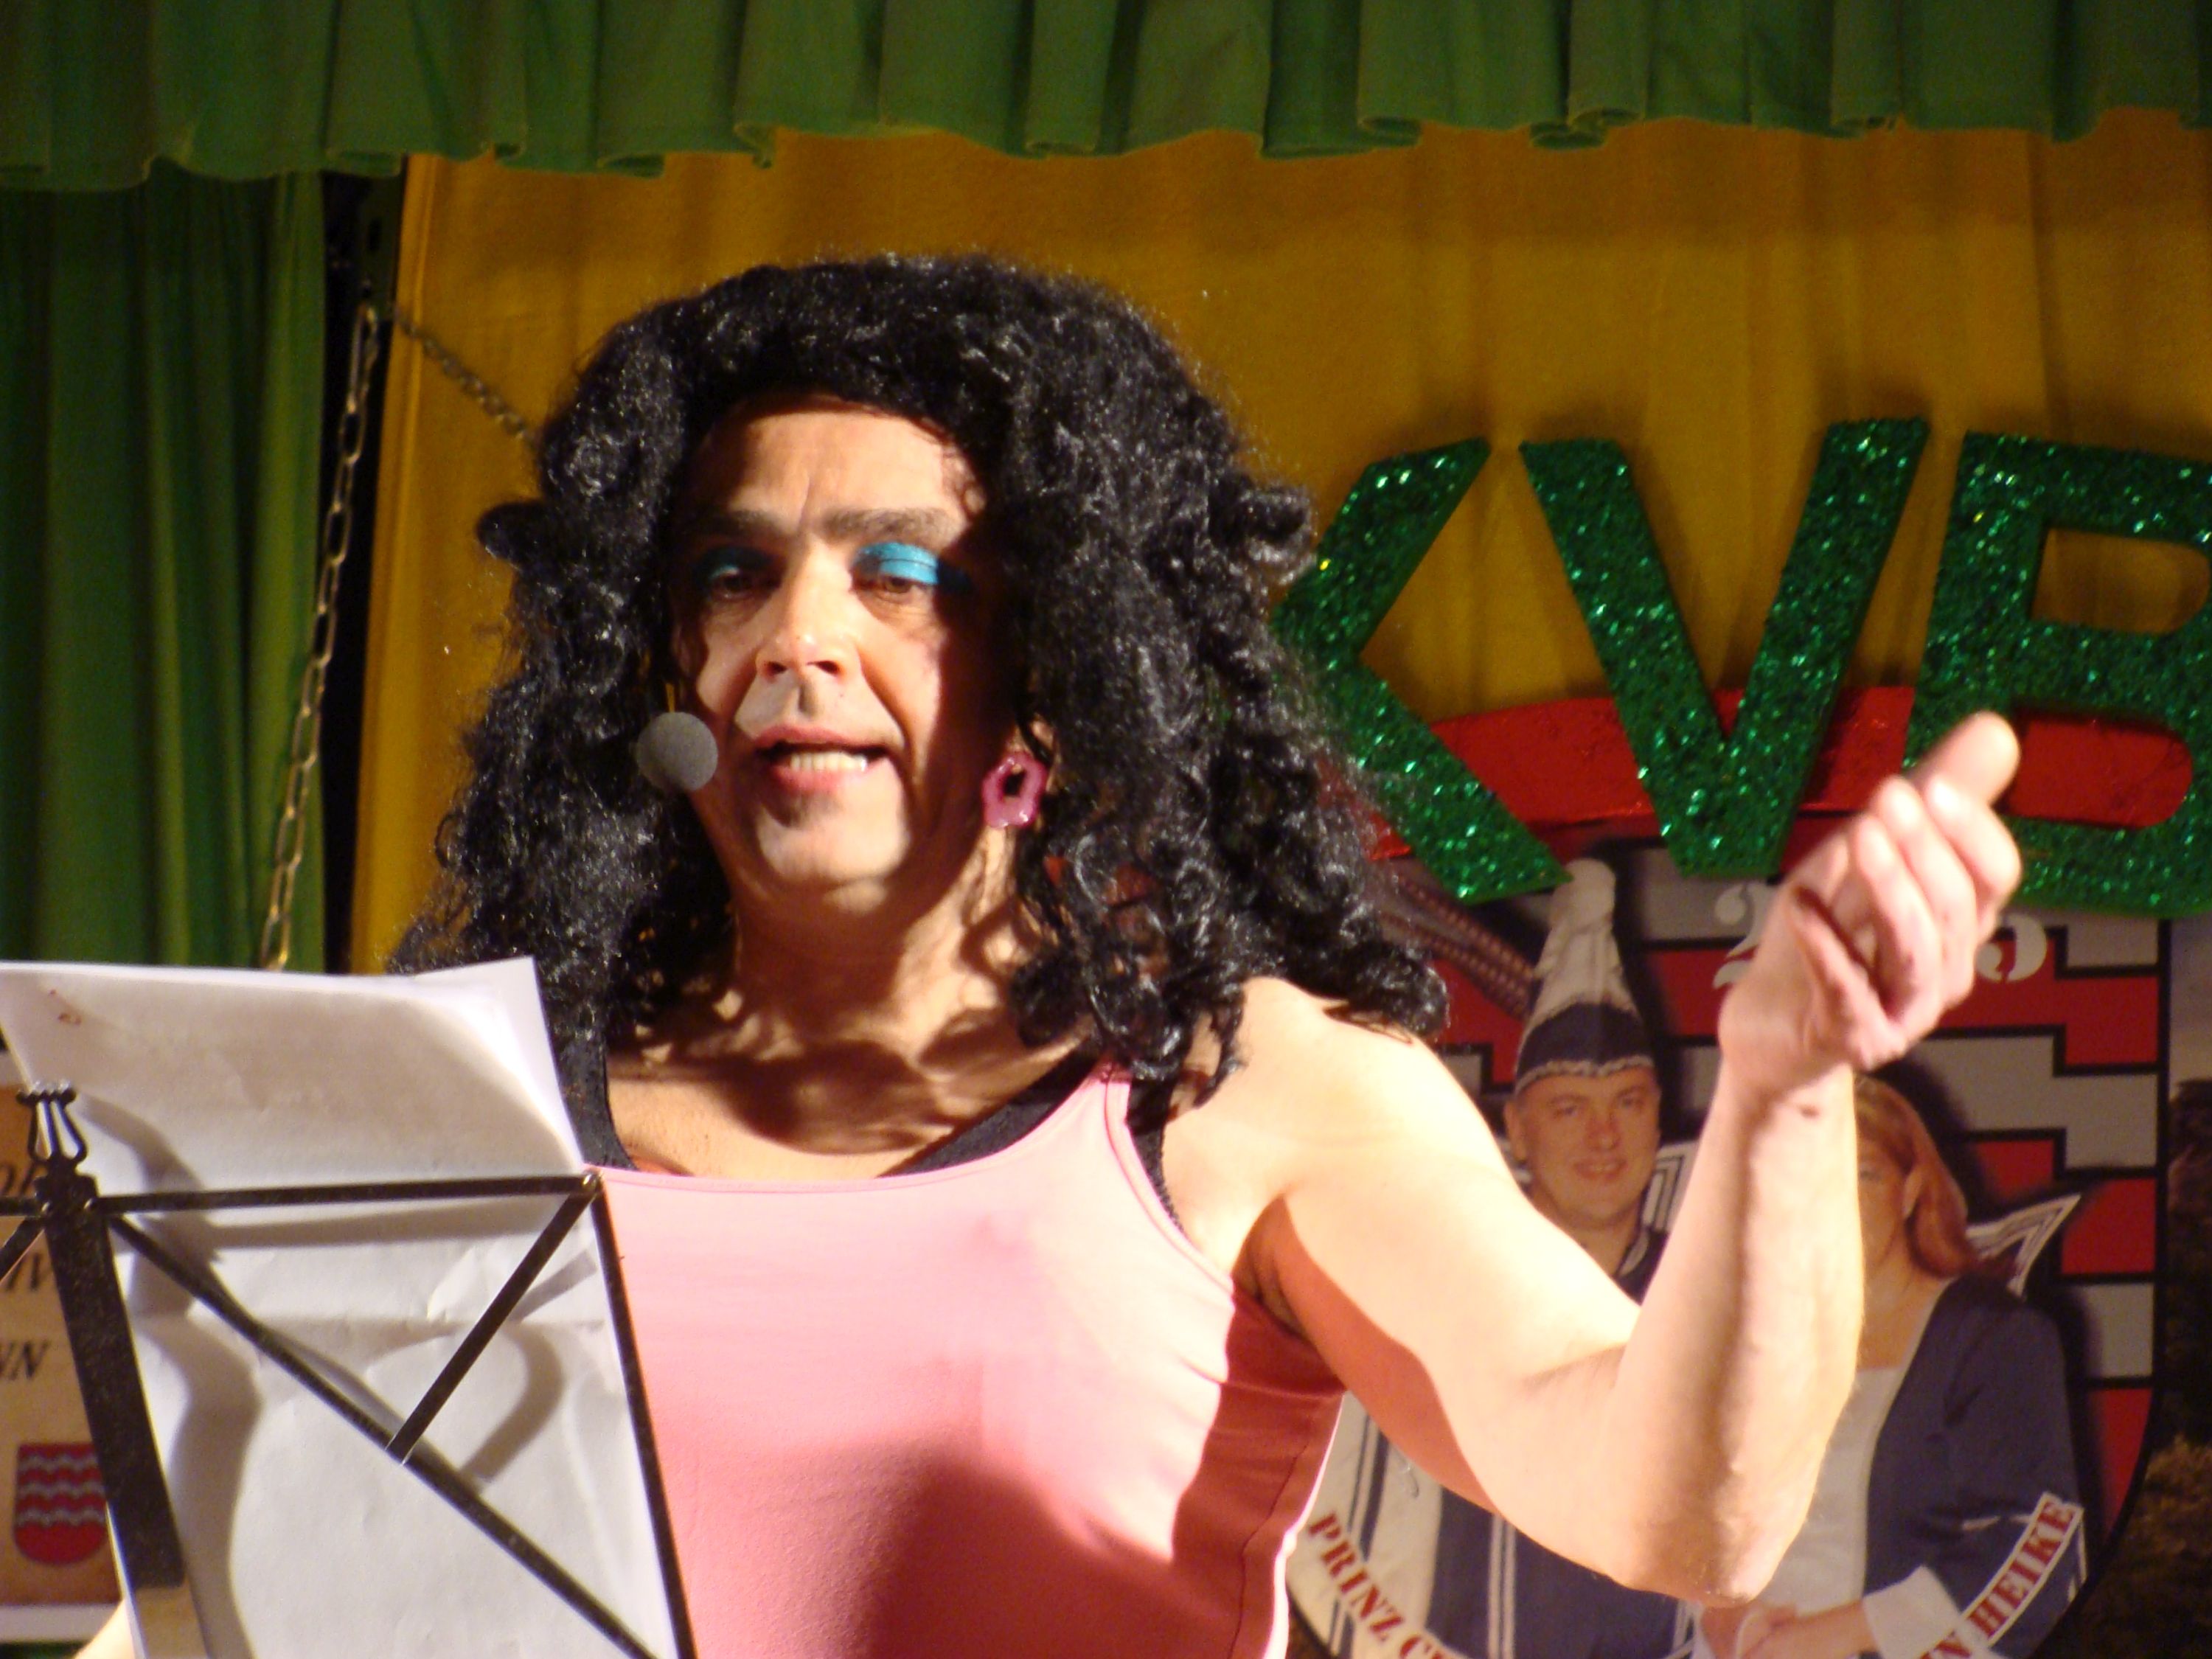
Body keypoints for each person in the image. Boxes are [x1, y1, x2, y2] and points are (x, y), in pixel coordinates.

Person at [77, 256, 2025, 1659]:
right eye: (735, 572)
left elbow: (1678, 1511)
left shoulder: (1245, 1097)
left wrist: (1785, 1090)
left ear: (1052, 671)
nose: (796, 638)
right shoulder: (463, 1094)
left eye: (899, 576)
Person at [1290, 857, 1691, 1659]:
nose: (1603, 1137)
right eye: (1570, 1109)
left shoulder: (1704, 1306)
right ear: (1517, 1131)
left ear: (1657, 1120)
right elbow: (1329, 1517)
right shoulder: (1444, 1290)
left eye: (1627, 1103)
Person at [1699, 1077, 2083, 1659]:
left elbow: (2038, 1541)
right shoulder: (1752, 1341)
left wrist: (1836, 1635)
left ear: (1911, 1191)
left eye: (1863, 1174)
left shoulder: (1991, 1337)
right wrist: (1727, 1619)